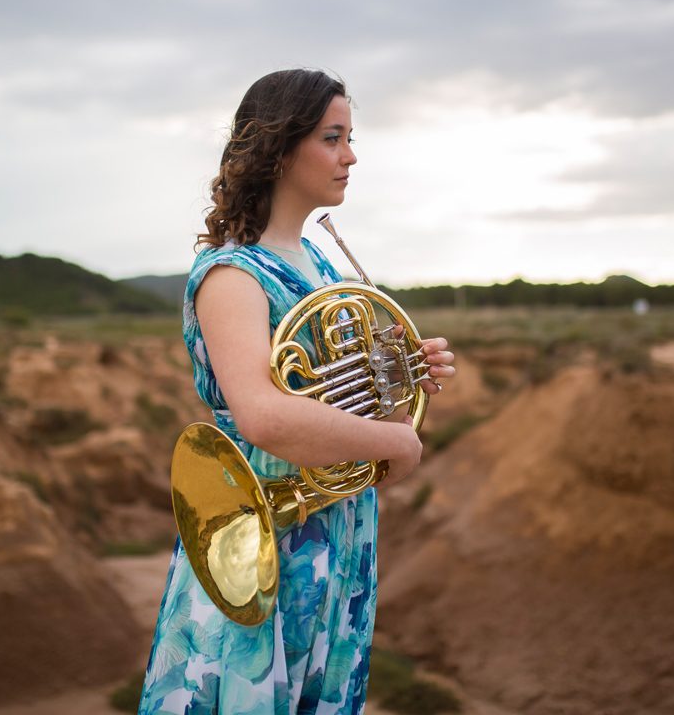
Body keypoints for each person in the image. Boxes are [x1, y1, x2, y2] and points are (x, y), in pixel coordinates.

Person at [137, 68, 456, 715]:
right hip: (262, 530)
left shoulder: (319, 261)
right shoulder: (232, 274)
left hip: (333, 519)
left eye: (350, 137)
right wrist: (397, 441)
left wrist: (397, 373)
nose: (351, 155)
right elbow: (264, 416)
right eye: (333, 137)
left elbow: (344, 401)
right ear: (281, 149)